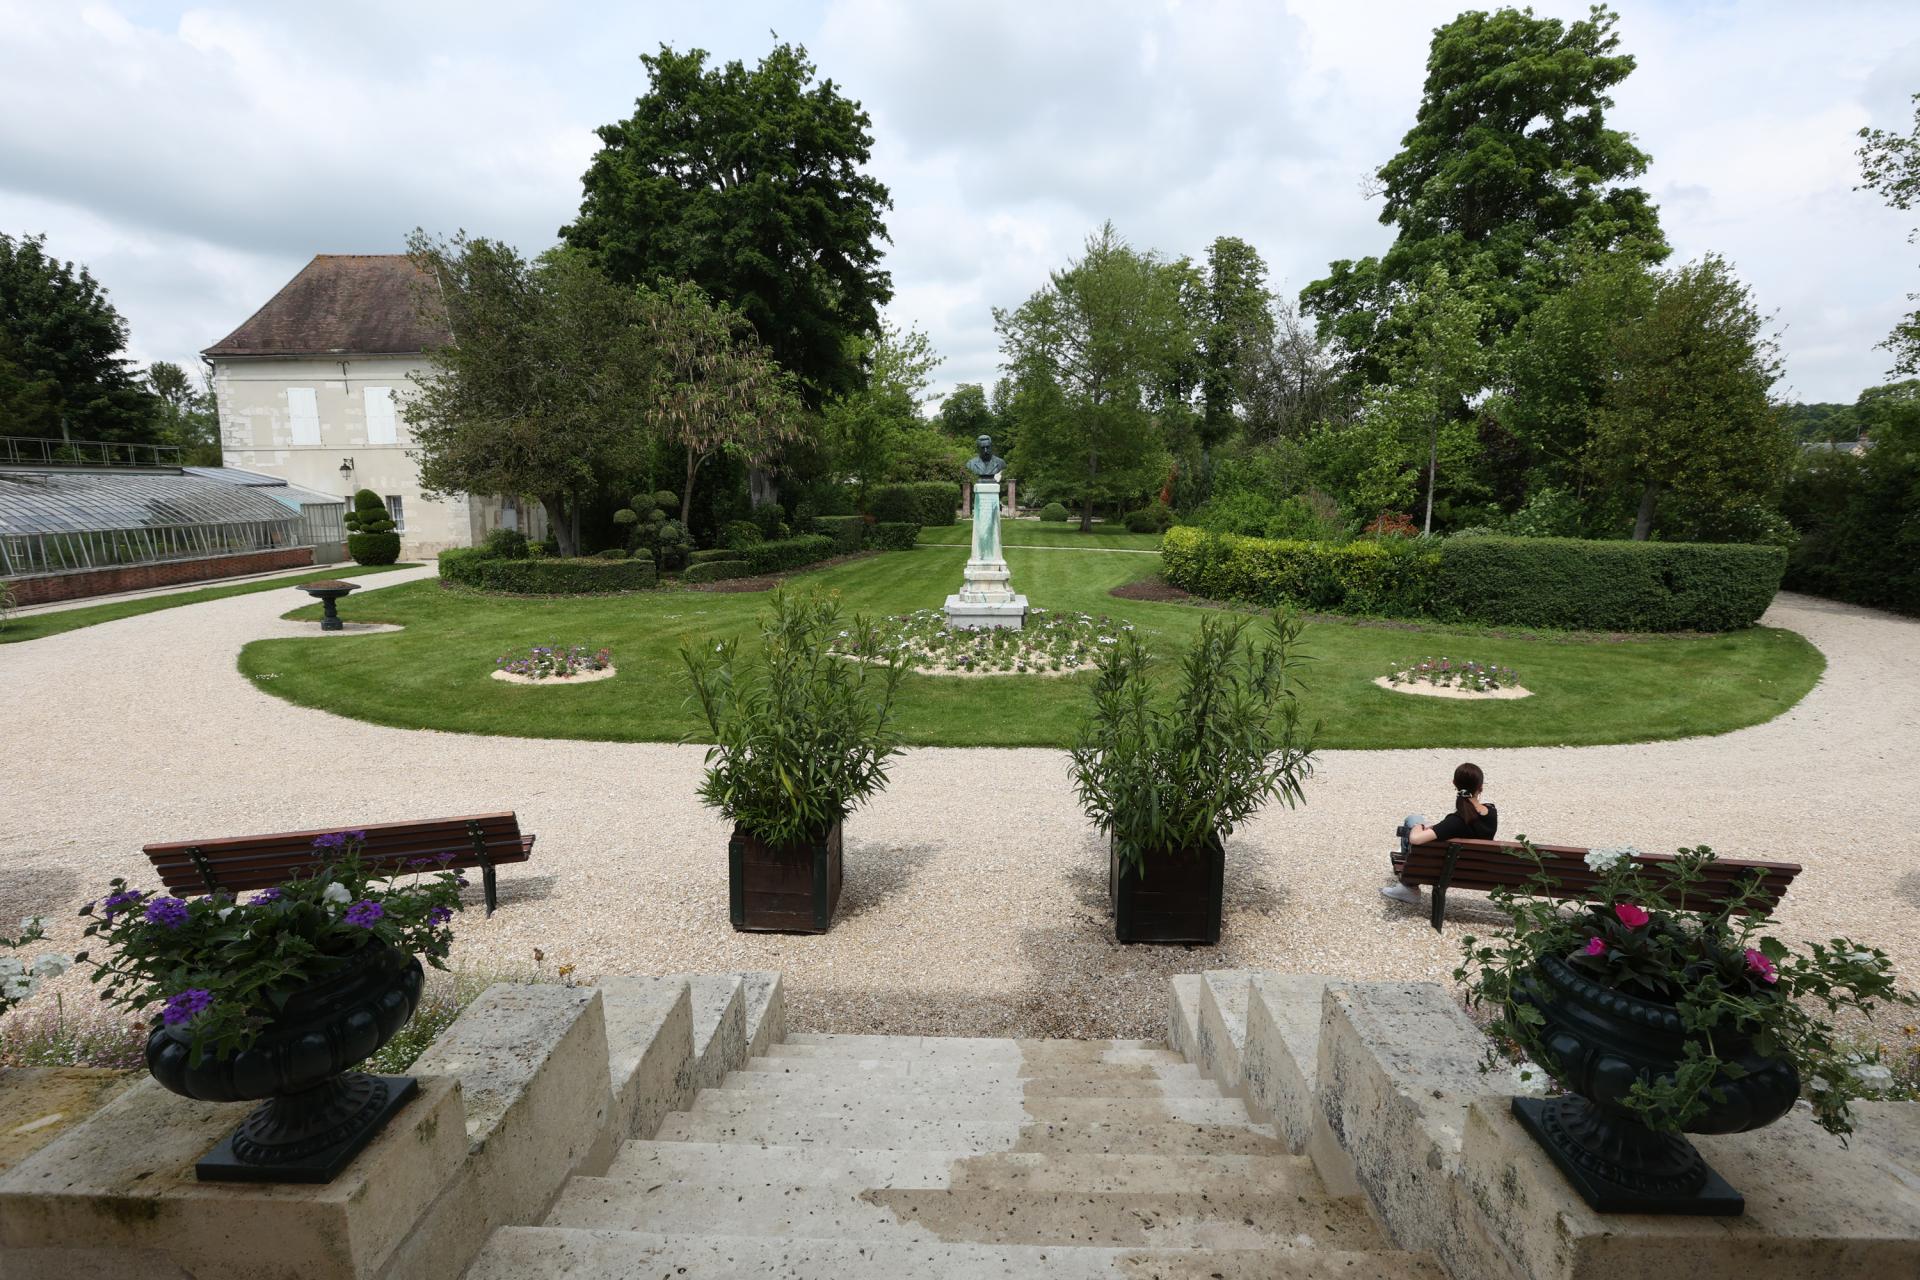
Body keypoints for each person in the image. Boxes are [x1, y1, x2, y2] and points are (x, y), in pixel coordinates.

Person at [1380, 762, 1497, 905]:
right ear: (1481, 787)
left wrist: (1419, 825)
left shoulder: (1455, 822)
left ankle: (1409, 887)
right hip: (1476, 870)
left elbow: (1416, 839)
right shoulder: (1491, 813)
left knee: (1413, 820)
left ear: (1454, 784)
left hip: (1445, 869)